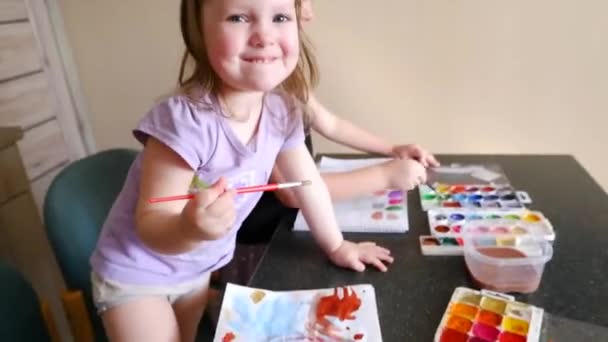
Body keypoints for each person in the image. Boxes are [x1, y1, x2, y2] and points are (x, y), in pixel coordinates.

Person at [89, 1, 398, 341]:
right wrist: (190, 228)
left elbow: (308, 185)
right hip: (137, 274)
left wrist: (338, 247)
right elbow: (151, 222)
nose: (264, 35)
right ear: (198, 32)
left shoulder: (283, 111)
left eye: (280, 17)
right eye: (238, 17)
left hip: (198, 270)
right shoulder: (185, 121)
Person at [236, 0, 439, 244]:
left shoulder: (284, 77)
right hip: (263, 238)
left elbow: (330, 124)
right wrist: (384, 176)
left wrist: (393, 149)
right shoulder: (257, 91)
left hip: (297, 220)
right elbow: (291, 191)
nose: (310, 14)